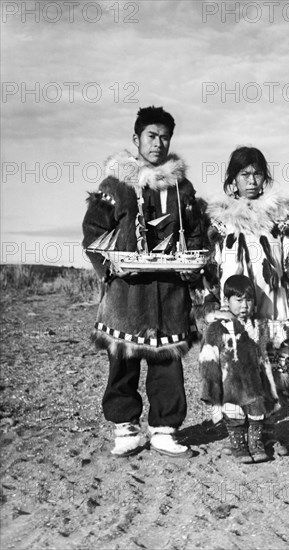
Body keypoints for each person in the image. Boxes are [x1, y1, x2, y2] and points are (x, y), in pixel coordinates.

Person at [82, 106, 205, 458]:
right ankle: (126, 429)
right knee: (123, 360)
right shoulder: (115, 185)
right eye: (152, 136)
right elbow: (94, 232)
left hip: (169, 294)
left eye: (165, 137)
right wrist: (111, 268)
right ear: (136, 139)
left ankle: (165, 430)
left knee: (168, 362)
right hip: (126, 295)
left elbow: (196, 233)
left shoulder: (182, 188)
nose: (158, 143)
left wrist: (192, 266)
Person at [205, 146, 289, 454]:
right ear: (233, 179)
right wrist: (211, 303)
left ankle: (266, 433)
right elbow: (210, 268)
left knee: (274, 368)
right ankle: (240, 437)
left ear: (265, 177)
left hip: (273, 307)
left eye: (257, 173)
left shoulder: (280, 215)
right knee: (238, 369)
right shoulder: (220, 219)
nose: (251, 180)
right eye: (244, 174)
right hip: (236, 310)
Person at [199, 275, 280, 463]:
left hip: (254, 385)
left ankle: (255, 443)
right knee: (234, 415)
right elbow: (208, 359)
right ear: (227, 301)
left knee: (257, 414)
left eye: (249, 300)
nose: (244, 306)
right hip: (230, 384)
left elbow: (266, 357)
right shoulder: (216, 328)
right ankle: (238, 444)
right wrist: (212, 391)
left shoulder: (258, 327)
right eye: (239, 300)